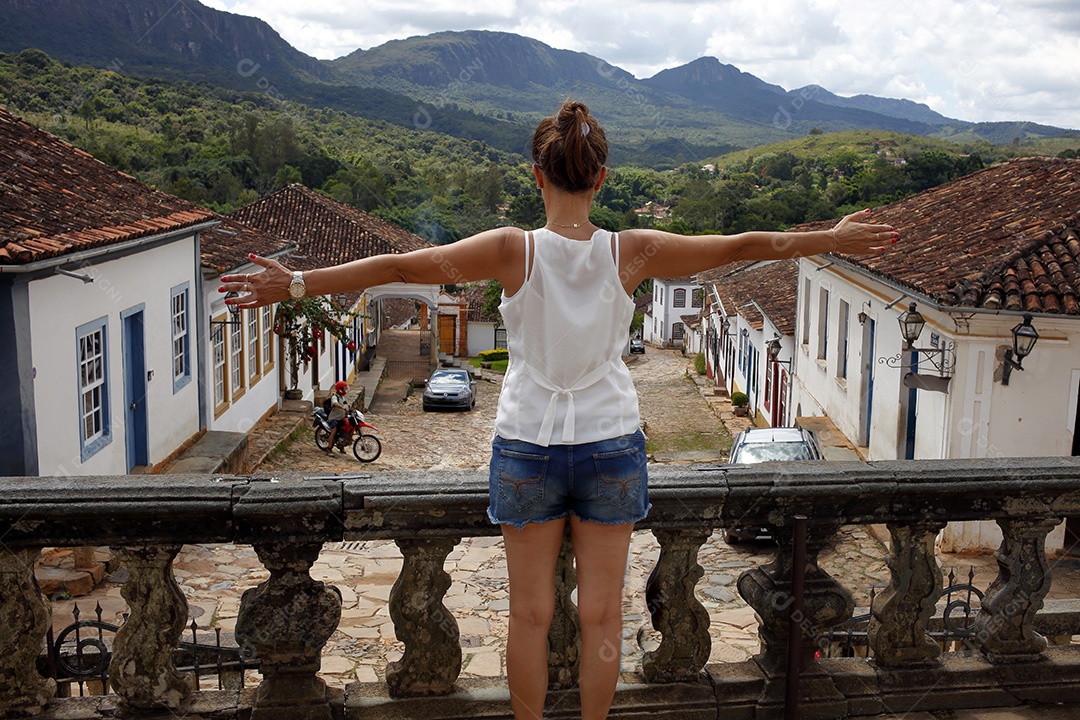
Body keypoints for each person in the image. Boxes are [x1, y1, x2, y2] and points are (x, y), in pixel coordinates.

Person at [221, 99, 897, 720]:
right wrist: (825, 238)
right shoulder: (632, 250)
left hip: (527, 446)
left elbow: (401, 265)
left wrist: (299, 282)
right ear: (600, 178)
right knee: (603, 617)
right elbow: (744, 246)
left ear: (536, 175)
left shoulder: (511, 249)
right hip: (610, 444)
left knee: (529, 615)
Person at [326, 380, 350, 452]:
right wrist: (342, 407)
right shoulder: (335, 397)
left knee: (344, 431)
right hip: (334, 418)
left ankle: (341, 445)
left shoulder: (342, 397)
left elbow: (346, 404)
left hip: (341, 418)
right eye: (344, 389)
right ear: (340, 389)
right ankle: (329, 448)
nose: (346, 390)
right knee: (333, 431)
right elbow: (335, 403)